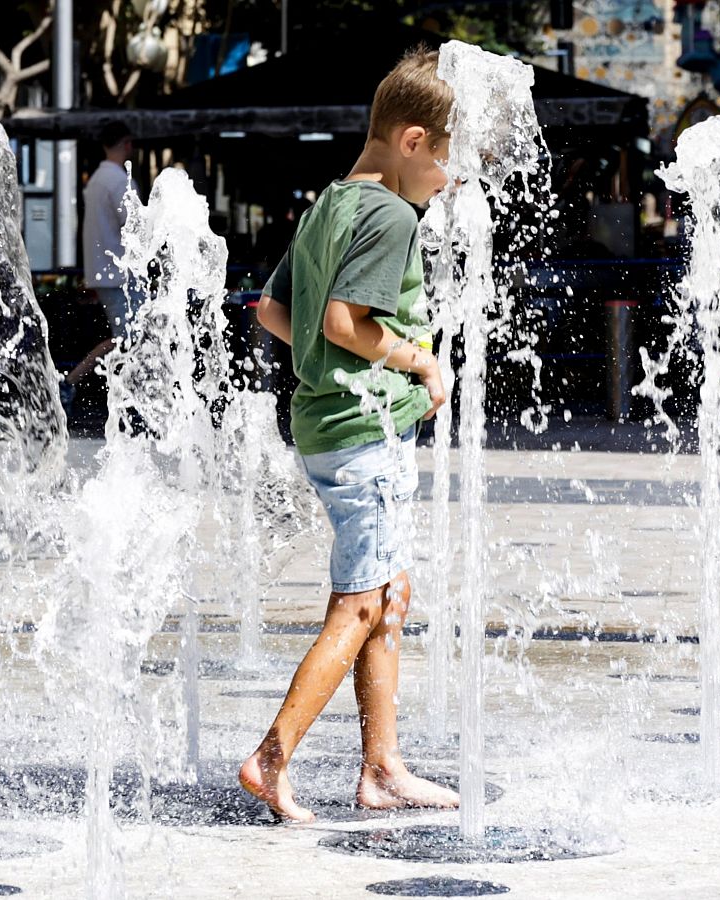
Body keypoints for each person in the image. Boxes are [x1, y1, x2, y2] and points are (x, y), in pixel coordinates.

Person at [238, 47, 457, 823]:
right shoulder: (392, 215)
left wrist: (326, 366)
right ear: (411, 141)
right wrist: (420, 363)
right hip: (363, 432)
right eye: (446, 161)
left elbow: (273, 311)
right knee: (362, 603)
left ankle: (383, 768)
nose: (450, 180)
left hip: (331, 425)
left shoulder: (332, 202)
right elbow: (343, 322)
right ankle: (272, 758)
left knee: (392, 592)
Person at [62, 121, 137, 411]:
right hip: (120, 274)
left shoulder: (96, 180)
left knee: (130, 338)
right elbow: (135, 225)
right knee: (131, 338)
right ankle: (71, 382)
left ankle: (76, 383)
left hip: (104, 271)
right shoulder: (119, 181)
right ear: (127, 144)